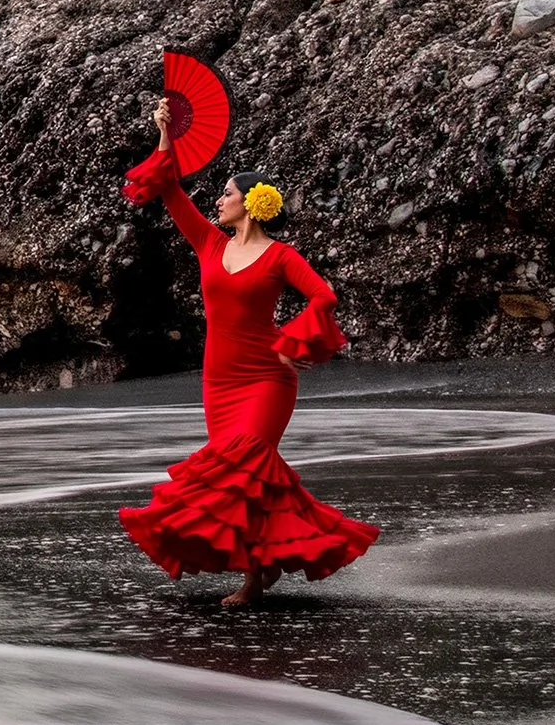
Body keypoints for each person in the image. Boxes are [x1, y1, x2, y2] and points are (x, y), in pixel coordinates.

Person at [117, 97, 379, 606]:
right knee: (239, 482)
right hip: (219, 382)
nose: (219, 199)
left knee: (249, 467)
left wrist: (295, 342)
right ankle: (267, 560)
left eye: (228, 192)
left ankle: (253, 580)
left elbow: (324, 296)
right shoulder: (209, 244)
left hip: (267, 379)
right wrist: (165, 133)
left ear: (251, 201)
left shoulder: (280, 255)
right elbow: (168, 188)